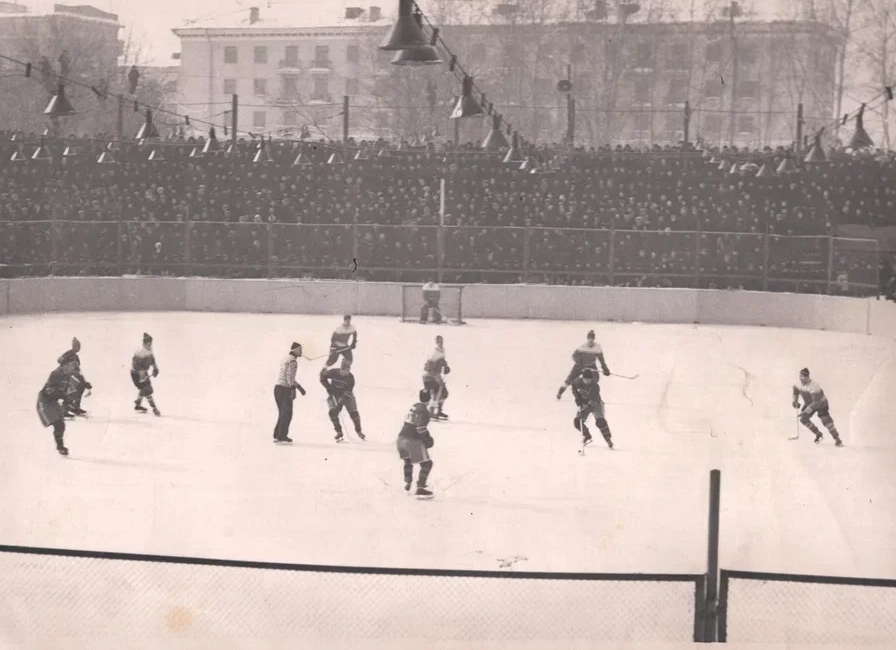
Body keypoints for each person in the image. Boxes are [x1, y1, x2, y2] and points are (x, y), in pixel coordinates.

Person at [37, 351, 78, 456]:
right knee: (58, 424)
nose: (73, 368)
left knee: (61, 426)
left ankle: (60, 447)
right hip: (44, 401)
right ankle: (60, 447)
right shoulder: (55, 374)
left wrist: (68, 399)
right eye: (72, 365)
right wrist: (63, 396)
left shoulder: (67, 376)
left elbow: (68, 391)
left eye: (74, 365)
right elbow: (49, 390)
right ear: (65, 365)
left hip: (54, 401)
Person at [397, 389, 436, 498]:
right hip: (411, 440)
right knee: (427, 464)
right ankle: (421, 487)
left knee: (408, 460)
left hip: (400, 439)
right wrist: (427, 439)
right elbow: (421, 428)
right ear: (430, 398)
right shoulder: (424, 411)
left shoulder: (415, 405)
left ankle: (407, 482)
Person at [793, 368, 843, 446]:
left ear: (807, 377)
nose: (800, 378)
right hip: (810, 403)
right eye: (800, 376)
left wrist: (805, 412)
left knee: (826, 421)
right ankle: (818, 434)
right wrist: (795, 401)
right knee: (803, 419)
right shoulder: (798, 384)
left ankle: (837, 439)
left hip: (821, 403)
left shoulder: (814, 386)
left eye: (803, 376)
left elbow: (816, 402)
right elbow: (795, 391)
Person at [320, 357, 364, 443]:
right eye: (345, 370)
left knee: (354, 413)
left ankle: (359, 431)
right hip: (335, 394)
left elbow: (347, 393)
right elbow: (322, 376)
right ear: (341, 369)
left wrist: (340, 405)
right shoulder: (333, 372)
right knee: (333, 412)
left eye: (348, 370)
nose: (347, 372)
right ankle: (339, 432)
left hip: (346, 395)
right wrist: (328, 387)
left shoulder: (350, 377)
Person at [557, 330, 610, 399]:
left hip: (591, 366)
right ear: (587, 339)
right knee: (570, 378)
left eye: (592, 340)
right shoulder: (582, 347)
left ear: (593, 340)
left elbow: (601, 360)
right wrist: (580, 363)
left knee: (595, 379)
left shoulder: (597, 348)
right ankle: (560, 392)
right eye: (589, 339)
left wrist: (605, 369)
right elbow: (574, 355)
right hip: (580, 365)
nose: (590, 341)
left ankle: (589, 395)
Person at [571, 369, 614, 449]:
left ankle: (608, 439)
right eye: (585, 379)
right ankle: (587, 436)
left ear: (592, 380)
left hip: (596, 403)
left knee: (600, 422)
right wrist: (578, 398)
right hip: (584, 403)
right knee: (577, 421)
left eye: (589, 380)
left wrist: (583, 411)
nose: (587, 381)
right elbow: (573, 387)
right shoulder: (578, 382)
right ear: (582, 378)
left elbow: (592, 403)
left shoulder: (595, 386)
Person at [274, 342, 306, 443]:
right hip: (284, 389)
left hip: (278, 388)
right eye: (300, 350)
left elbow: (289, 377)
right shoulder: (292, 361)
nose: (301, 352)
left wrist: (300, 388)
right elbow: (289, 377)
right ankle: (282, 436)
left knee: (283, 413)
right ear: (295, 350)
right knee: (287, 413)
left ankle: (277, 434)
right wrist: (293, 390)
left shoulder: (286, 358)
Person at [58, 336, 91, 418]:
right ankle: (64, 410)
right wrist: (66, 363)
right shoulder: (70, 353)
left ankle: (75, 407)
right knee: (72, 391)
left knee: (79, 388)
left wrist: (83, 381)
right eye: (78, 346)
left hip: (73, 375)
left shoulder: (75, 356)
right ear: (74, 346)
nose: (79, 348)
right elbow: (60, 360)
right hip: (67, 376)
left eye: (80, 346)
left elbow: (77, 369)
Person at [131, 333, 161, 416]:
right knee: (147, 389)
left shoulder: (149, 350)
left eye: (151, 344)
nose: (150, 346)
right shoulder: (140, 352)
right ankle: (154, 408)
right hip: (136, 374)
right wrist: (141, 376)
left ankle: (138, 404)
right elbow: (136, 365)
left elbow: (152, 360)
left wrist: (155, 368)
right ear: (144, 344)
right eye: (148, 344)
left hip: (143, 372)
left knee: (146, 389)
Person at [422, 335, 450, 419]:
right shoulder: (434, 352)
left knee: (444, 393)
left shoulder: (442, 351)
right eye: (439, 342)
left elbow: (442, 362)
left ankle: (439, 411)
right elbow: (428, 367)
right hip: (429, 376)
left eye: (442, 341)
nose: (441, 343)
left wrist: (445, 367)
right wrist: (436, 376)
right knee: (435, 393)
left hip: (437, 375)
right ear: (436, 342)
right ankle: (431, 412)